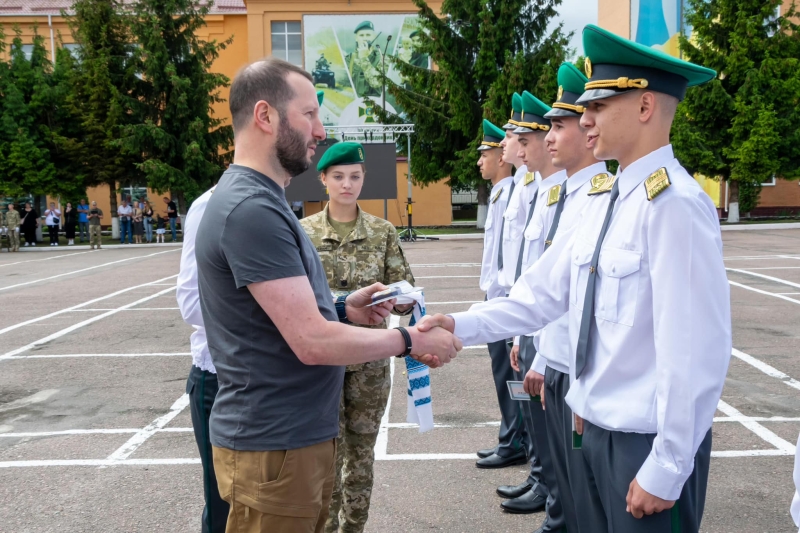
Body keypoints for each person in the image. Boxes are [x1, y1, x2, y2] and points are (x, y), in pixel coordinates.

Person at [419, 24, 731, 533]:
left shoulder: (674, 205)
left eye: (599, 106)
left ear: (646, 107)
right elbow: (538, 296)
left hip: (643, 444)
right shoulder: (607, 199)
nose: (584, 119)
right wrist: (456, 325)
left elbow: (695, 349)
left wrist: (669, 465)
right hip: (593, 429)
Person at [194, 57, 459, 533]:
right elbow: (311, 341)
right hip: (275, 446)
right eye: (310, 115)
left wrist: (343, 307)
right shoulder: (252, 209)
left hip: (291, 440)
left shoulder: (263, 200)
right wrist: (408, 342)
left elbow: (279, 314)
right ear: (266, 116)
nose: (320, 130)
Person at [300, 142, 415, 533]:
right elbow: (298, 295)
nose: (346, 185)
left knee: (362, 455)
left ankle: (354, 528)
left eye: (354, 176)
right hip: (322, 362)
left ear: (364, 179)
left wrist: (399, 302)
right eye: (338, 177)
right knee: (325, 457)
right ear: (323, 180)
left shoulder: (383, 232)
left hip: (368, 362)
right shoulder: (303, 232)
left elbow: (405, 288)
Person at [473, 118, 528, 471]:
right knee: (503, 377)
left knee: (514, 378)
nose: (481, 160)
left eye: (486, 152)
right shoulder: (500, 194)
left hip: (511, 302)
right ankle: (511, 436)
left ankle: (515, 440)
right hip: (497, 300)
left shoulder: (518, 191)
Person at [177, 185, 230, 533]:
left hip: (269, 377)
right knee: (224, 502)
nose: (318, 131)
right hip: (221, 377)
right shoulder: (212, 205)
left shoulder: (275, 201)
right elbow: (191, 303)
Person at [345, 21, 382, 98]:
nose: (365, 38)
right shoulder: (349, 59)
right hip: (355, 105)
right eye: (361, 35)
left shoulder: (382, 58)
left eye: (368, 35)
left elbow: (376, 83)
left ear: (374, 37)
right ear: (356, 38)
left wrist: (363, 57)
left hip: (377, 106)